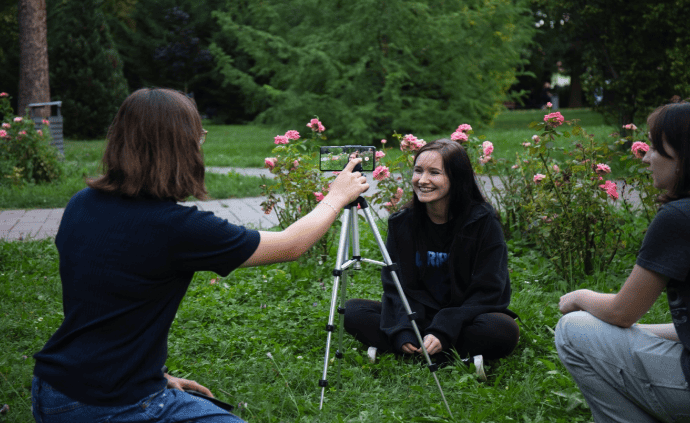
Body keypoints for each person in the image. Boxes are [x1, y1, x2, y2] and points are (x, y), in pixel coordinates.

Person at [30, 88, 369, 423]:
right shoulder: (177, 227)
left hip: (52, 388)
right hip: (113, 403)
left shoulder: (81, 204)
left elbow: (103, 306)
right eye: (198, 136)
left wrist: (155, 376)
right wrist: (336, 196)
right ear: (181, 147)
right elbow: (290, 245)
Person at [555, 102, 690, 422]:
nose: (646, 158)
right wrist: (640, 335)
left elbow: (622, 312)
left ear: (683, 160)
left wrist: (578, 296)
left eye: (656, 148)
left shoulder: (678, 218)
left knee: (573, 329)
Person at [343, 139, 520, 376]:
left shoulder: (483, 223)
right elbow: (396, 287)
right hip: (419, 316)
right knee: (352, 311)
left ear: (457, 178)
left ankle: (418, 350)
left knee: (502, 330)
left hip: (465, 317)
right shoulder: (402, 223)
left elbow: (490, 291)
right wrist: (403, 328)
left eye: (434, 173)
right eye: (418, 171)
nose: (422, 180)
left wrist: (445, 327)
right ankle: (444, 352)